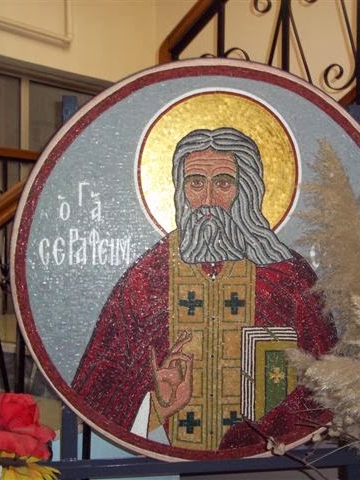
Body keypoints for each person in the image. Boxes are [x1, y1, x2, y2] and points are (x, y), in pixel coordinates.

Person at [72, 128, 335, 452]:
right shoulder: (147, 277)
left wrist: (263, 434)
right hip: (161, 463)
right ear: (181, 190)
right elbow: (97, 394)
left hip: (271, 466)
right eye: (196, 183)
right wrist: (155, 407)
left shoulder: (288, 277)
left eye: (223, 183)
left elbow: (329, 379)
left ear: (247, 190)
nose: (208, 200)